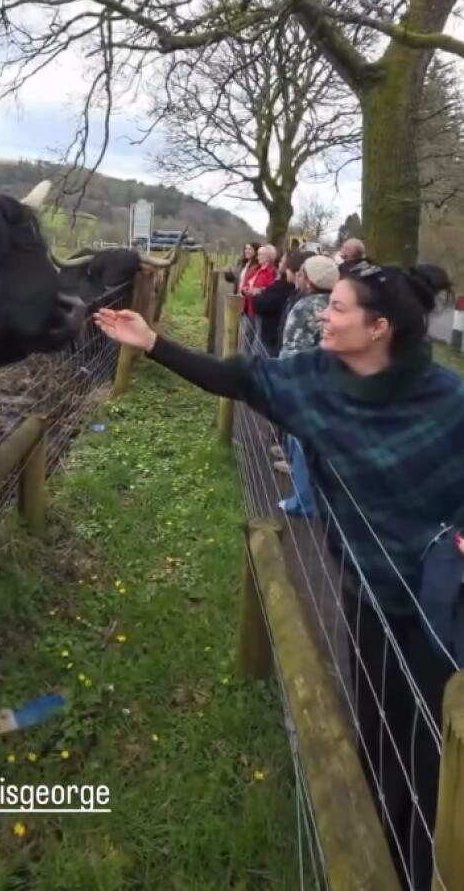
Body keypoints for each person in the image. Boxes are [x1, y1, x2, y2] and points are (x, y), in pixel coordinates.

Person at [94, 262, 463, 891]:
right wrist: (153, 342)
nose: (324, 313)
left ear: (378, 329)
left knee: (437, 739)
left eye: (339, 308)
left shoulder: (448, 398)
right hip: (367, 587)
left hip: (443, 593)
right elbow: (237, 377)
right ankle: (378, 854)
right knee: (378, 726)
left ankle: (428, 859)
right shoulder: (312, 382)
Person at [276, 254, 339, 511]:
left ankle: (302, 501)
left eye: (302, 274)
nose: (298, 277)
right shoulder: (336, 304)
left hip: (304, 383)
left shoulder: (305, 307)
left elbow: (293, 348)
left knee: (300, 440)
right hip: (332, 382)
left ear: (310, 280)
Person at [250, 253, 294, 356]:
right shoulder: (283, 285)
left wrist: (256, 296)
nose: (279, 264)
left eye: (282, 262)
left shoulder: (282, 286)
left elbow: (263, 304)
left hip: (271, 335)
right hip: (271, 331)